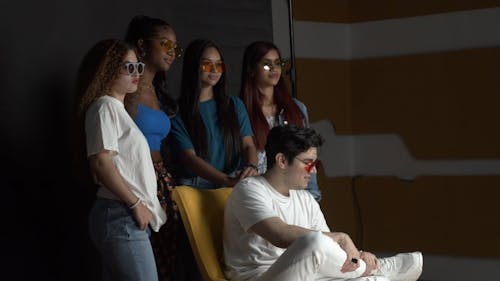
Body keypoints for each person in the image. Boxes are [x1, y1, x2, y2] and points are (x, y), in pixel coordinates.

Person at [223, 125, 423, 281]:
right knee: (314, 241)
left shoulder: (305, 199)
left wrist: (357, 255)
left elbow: (329, 254)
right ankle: (371, 267)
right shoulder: (248, 189)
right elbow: (280, 235)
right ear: (282, 160)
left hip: (310, 275)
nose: (315, 171)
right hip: (262, 276)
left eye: (315, 164)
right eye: (308, 163)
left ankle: (371, 269)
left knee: (377, 280)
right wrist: (343, 238)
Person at [77, 38, 166, 281]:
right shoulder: (104, 107)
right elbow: (101, 163)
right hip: (120, 215)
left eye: (138, 66)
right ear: (107, 69)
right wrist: (136, 204)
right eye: (128, 67)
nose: (136, 73)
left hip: (123, 216)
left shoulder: (117, 110)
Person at [124, 15, 181, 281]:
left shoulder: (157, 92)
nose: (172, 52)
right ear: (142, 45)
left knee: (165, 265)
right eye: (165, 44)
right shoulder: (125, 88)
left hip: (161, 180)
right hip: (135, 182)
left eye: (174, 48)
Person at [169, 39, 258, 188]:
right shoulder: (178, 112)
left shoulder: (234, 105)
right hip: (196, 185)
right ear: (194, 66)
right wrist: (225, 181)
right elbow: (190, 159)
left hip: (234, 179)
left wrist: (252, 167)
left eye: (219, 64)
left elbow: (248, 145)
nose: (215, 70)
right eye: (207, 64)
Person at [239, 40, 322, 201]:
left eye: (278, 63)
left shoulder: (297, 108)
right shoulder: (239, 109)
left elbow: (307, 157)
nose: (274, 69)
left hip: (294, 196)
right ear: (251, 70)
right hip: (258, 193)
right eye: (266, 64)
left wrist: (313, 196)